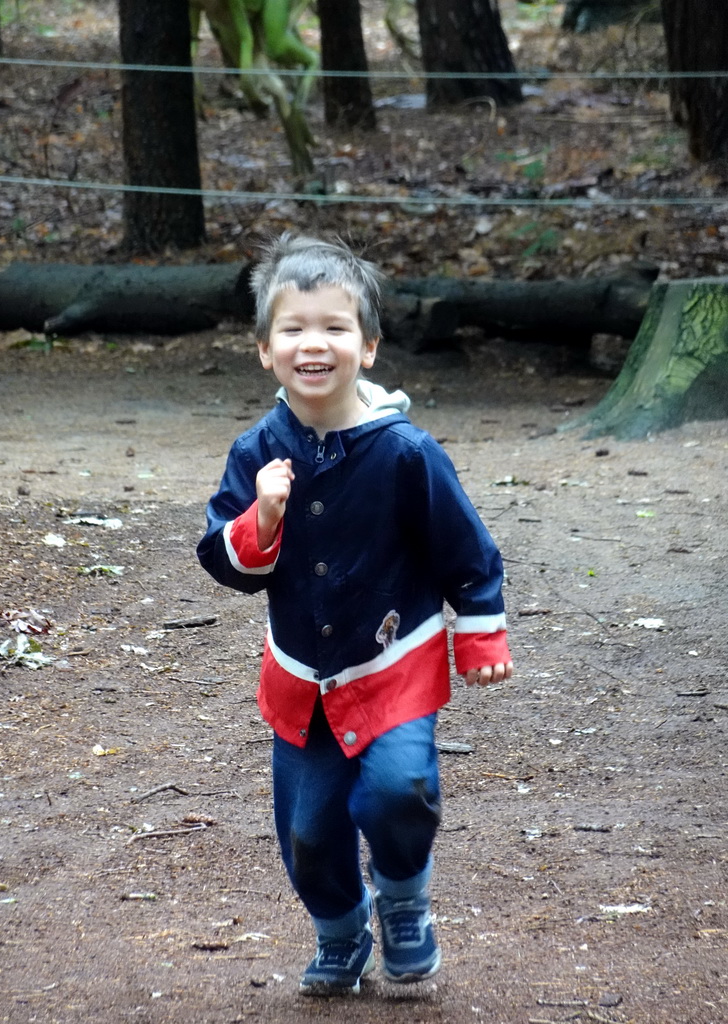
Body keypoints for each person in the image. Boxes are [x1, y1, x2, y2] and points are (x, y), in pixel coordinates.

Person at [197, 233, 513, 996]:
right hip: (302, 676)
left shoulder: (405, 450)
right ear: (265, 350)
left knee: (397, 790)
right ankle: (341, 931)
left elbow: (464, 545)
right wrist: (261, 522)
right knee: (309, 833)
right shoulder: (255, 452)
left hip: (391, 661)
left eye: (335, 328)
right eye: (294, 329)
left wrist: (480, 633)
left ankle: (403, 896)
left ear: (367, 347)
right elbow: (221, 559)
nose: (315, 343)